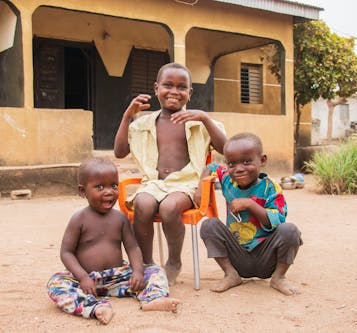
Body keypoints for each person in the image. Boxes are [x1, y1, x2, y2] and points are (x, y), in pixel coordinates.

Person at [114, 62, 226, 286]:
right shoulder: (144, 124)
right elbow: (120, 151)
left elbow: (225, 148)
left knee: (168, 207)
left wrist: (204, 117)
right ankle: (147, 263)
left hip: (185, 185)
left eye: (181, 87)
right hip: (154, 184)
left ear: (190, 93)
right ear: (156, 88)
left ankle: (174, 261)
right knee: (143, 205)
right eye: (168, 85)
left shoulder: (199, 122)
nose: (174, 91)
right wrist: (127, 116)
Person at [46, 158, 180, 325]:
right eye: (100, 187)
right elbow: (66, 253)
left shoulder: (120, 219)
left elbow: (132, 248)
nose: (109, 191)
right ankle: (95, 308)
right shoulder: (78, 219)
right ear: (82, 191)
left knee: (155, 271)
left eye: (113, 186)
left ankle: (152, 298)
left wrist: (138, 271)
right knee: (56, 284)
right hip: (86, 280)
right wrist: (82, 277)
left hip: (118, 277)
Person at [196, 132, 302, 295]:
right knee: (209, 225)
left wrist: (250, 204)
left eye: (247, 162)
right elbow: (211, 168)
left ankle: (279, 277)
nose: (238, 169)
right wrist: (200, 188)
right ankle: (231, 274)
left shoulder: (271, 188)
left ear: (263, 160)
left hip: (267, 257)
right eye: (232, 164)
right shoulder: (228, 180)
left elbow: (276, 221)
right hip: (237, 256)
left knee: (290, 230)